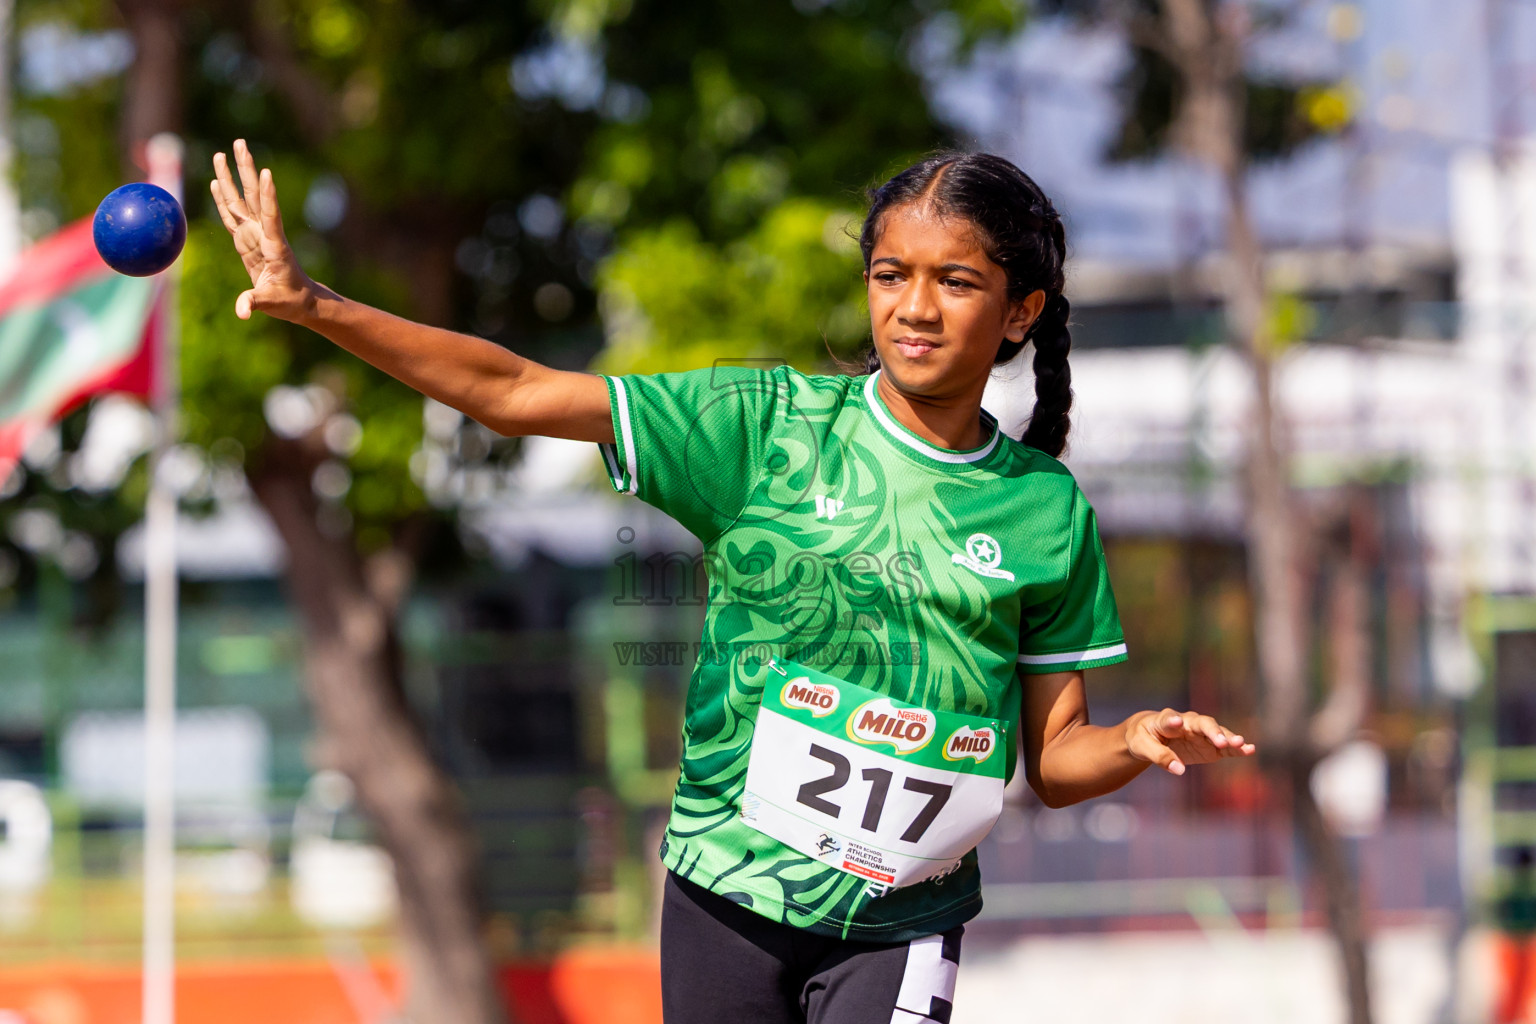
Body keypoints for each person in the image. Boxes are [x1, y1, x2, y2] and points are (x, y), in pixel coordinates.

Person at [211, 141, 1257, 1024]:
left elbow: (1057, 756)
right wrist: (319, 307)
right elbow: (516, 390)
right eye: (891, 274)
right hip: (726, 891)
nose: (916, 308)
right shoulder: (765, 428)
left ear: (1021, 311)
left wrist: (1128, 742)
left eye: (958, 280)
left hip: (901, 921)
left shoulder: (1044, 508)